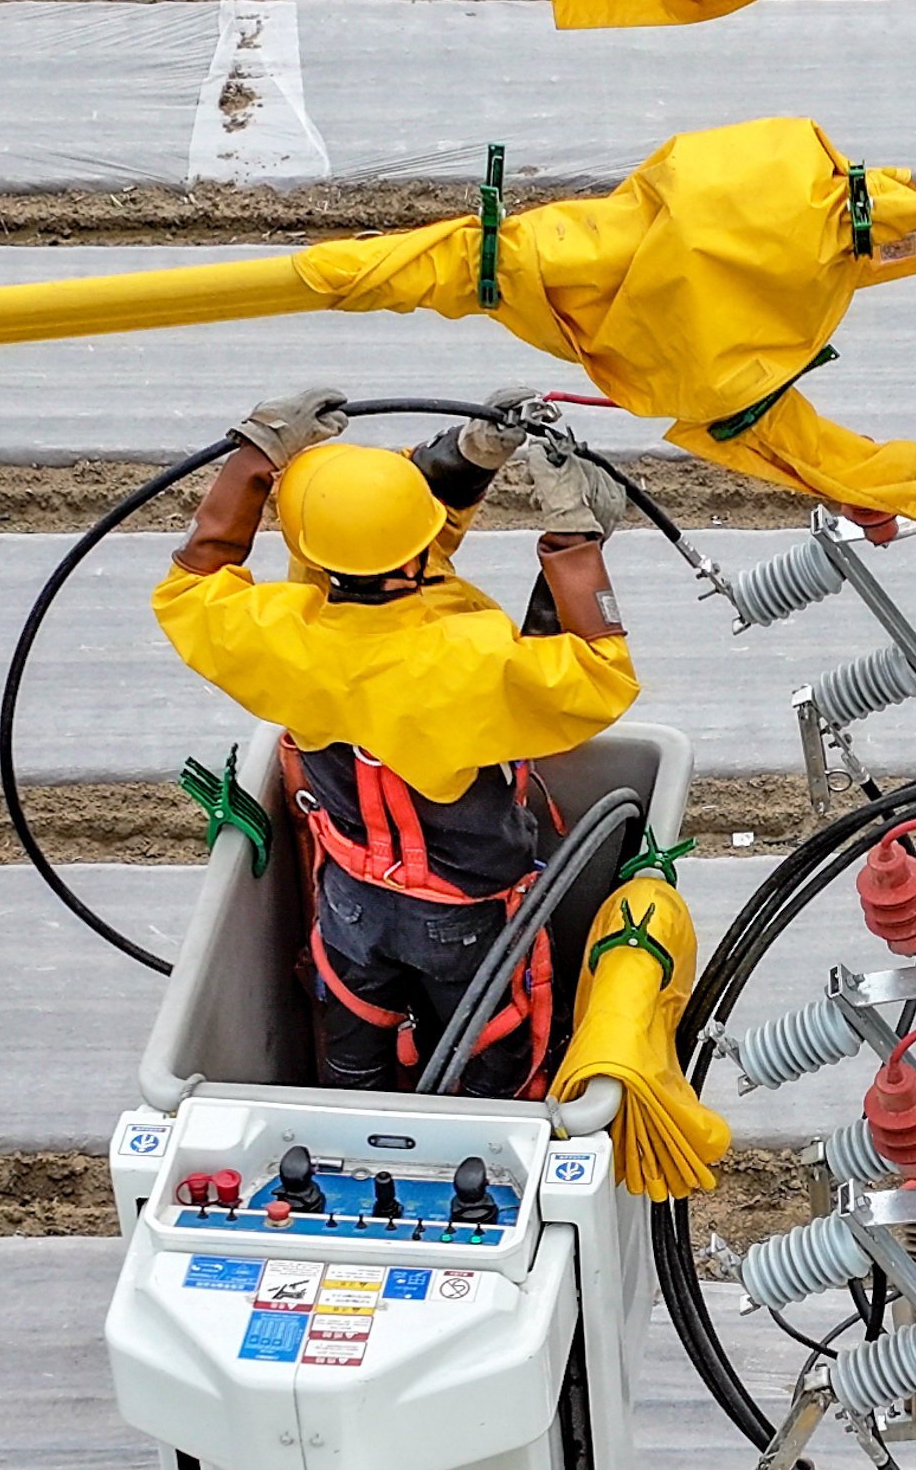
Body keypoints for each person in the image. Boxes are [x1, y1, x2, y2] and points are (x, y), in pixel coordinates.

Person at [154, 402, 639, 1092]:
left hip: (350, 900)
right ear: (417, 543)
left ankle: (355, 1113)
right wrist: (574, 546)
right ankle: (485, 1122)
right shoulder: (469, 660)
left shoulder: (284, 636)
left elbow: (191, 584)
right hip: (463, 912)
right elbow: (598, 674)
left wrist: (254, 457)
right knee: (486, 1052)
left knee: (354, 1046)